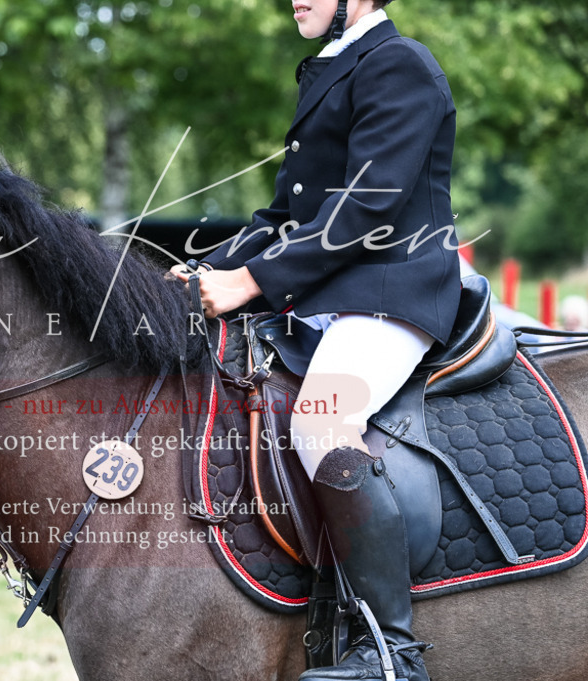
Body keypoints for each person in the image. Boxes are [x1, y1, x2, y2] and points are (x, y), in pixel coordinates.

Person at [172, 1, 459, 679]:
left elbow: (368, 205)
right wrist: (213, 267)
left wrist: (252, 282)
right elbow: (285, 214)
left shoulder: (400, 63)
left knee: (321, 423)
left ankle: (392, 651)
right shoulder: (333, 65)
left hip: (393, 290)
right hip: (331, 295)